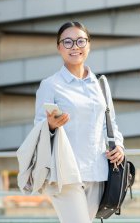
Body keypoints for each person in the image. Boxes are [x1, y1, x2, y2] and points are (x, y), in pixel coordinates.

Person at [33, 21, 125, 223]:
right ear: (59, 47)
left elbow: (110, 122)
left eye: (80, 41)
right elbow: (38, 129)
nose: (74, 46)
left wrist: (118, 145)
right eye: (67, 42)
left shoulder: (101, 84)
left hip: (98, 170)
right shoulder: (50, 85)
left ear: (89, 45)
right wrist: (50, 126)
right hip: (65, 173)